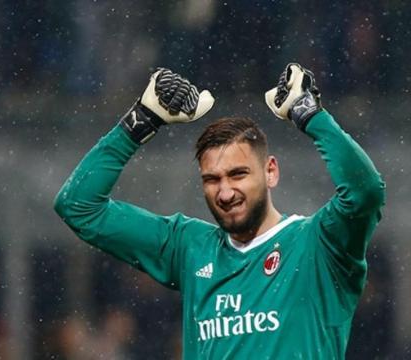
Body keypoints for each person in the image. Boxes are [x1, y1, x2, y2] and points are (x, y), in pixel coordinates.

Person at [53, 63, 385, 358]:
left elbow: (365, 191)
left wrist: (311, 115)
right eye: (212, 179)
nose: (225, 192)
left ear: (270, 171)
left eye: (238, 174)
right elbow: (78, 206)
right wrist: (140, 121)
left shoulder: (319, 245)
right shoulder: (190, 247)